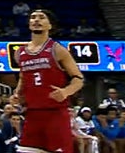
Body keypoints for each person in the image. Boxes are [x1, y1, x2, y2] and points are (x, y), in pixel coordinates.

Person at [14, 9, 86, 153]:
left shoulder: (57, 49)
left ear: (50, 25)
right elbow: (24, 76)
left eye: (41, 18)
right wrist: (17, 93)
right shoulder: (19, 52)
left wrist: (66, 91)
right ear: (29, 24)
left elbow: (78, 79)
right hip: (32, 113)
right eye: (33, 17)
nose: (36, 20)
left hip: (55, 113)